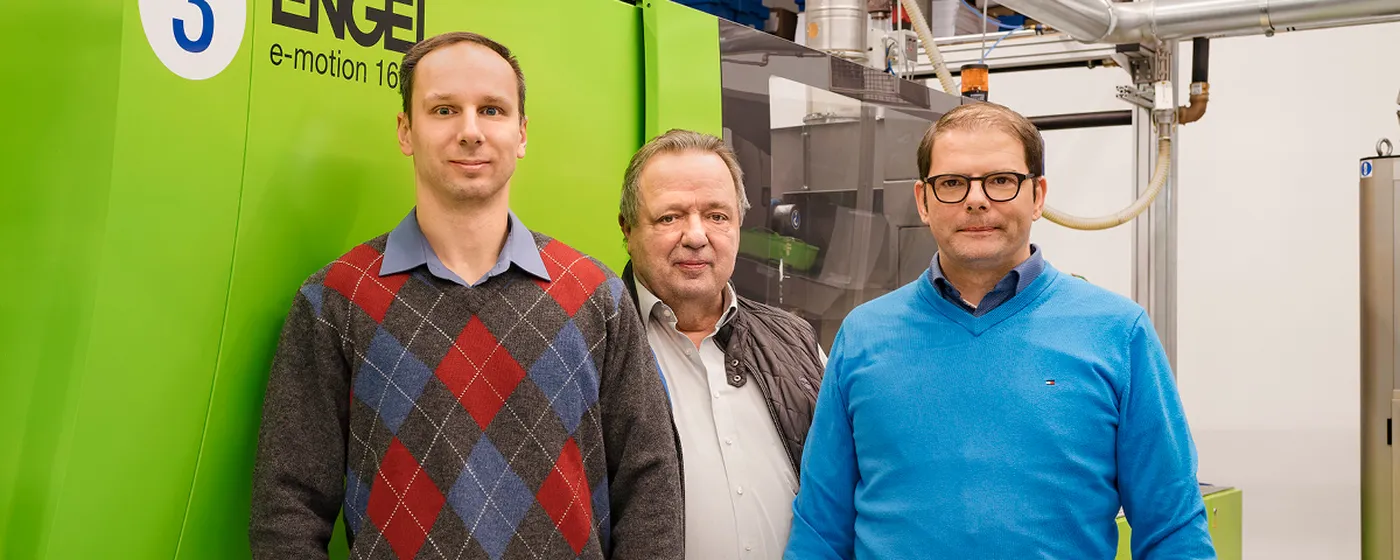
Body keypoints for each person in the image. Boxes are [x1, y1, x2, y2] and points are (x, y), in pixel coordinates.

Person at [249, 31, 684, 560]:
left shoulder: (596, 298)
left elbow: (650, 488)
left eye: (493, 110)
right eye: (444, 110)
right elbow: (288, 509)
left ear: (522, 134)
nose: (471, 131)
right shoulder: (335, 302)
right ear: (406, 130)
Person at [784, 102, 1216, 559]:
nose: (976, 199)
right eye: (952, 183)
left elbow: (1173, 531)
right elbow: (820, 530)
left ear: (1038, 195)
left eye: (1001, 181)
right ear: (923, 201)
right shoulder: (864, 335)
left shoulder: (1117, 332)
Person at [616, 129, 826, 559]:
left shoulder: (797, 341)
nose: (696, 236)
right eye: (670, 217)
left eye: (717, 216)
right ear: (627, 228)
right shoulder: (593, 346)